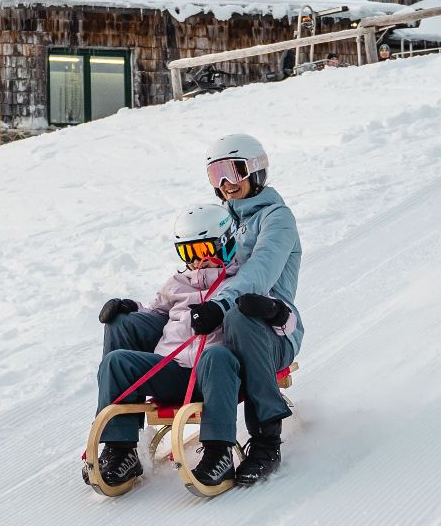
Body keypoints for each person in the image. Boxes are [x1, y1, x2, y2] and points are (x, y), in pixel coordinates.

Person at [94, 135, 303, 489]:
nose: (225, 184)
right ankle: (120, 443)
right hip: (213, 324)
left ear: (256, 172)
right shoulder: (223, 219)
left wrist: (218, 306)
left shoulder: (277, 219)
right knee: (123, 325)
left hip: (269, 324)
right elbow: (193, 281)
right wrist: (136, 309)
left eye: (233, 173)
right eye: (215, 175)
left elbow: (258, 273)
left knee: (238, 314)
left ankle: (265, 440)